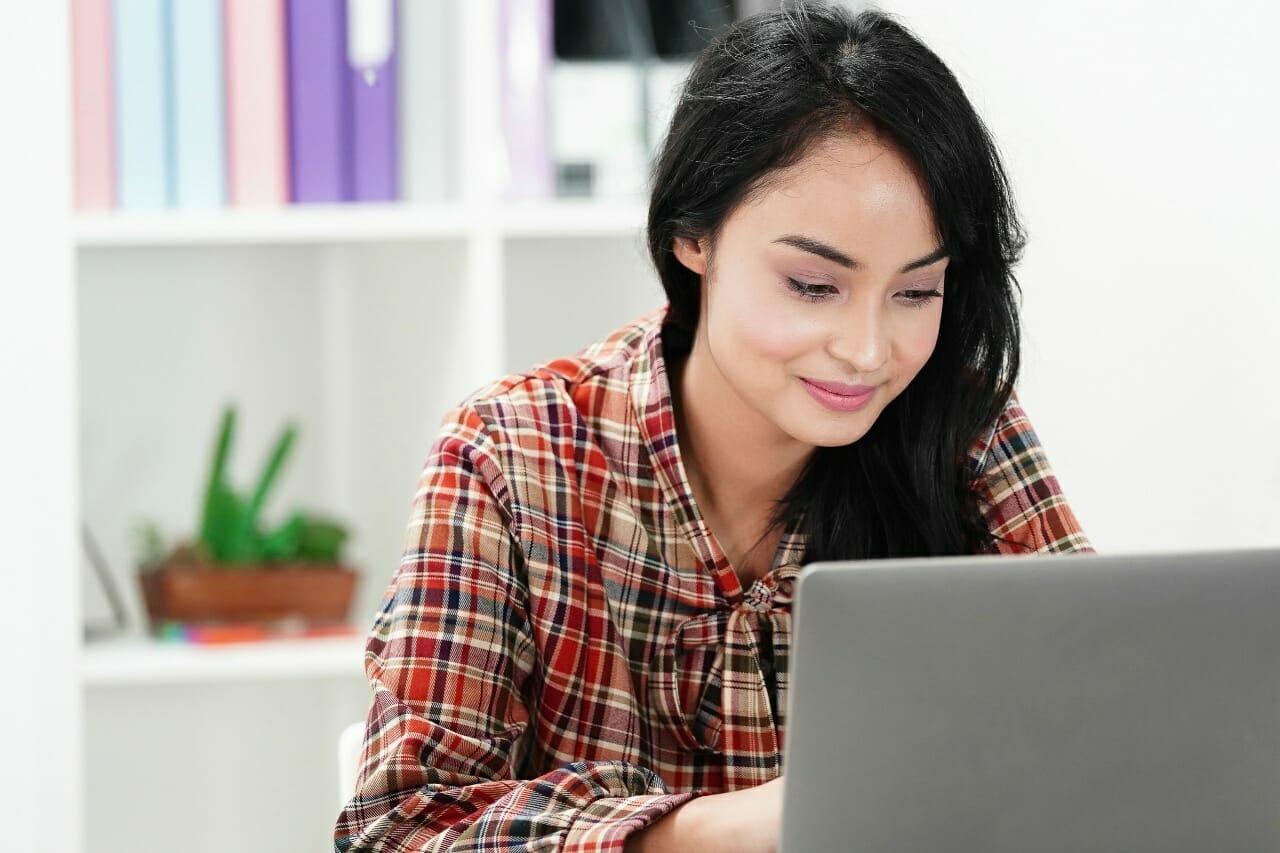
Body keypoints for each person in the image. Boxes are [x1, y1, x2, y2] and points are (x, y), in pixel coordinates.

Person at [334, 4, 1092, 851]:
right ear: (694, 236)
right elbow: (402, 829)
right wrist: (734, 826)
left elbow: (1105, 725)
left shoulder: (958, 422)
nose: (869, 350)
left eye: (916, 292)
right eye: (813, 285)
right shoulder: (511, 456)